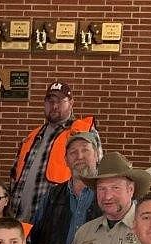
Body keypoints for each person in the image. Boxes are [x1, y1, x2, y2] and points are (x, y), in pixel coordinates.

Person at [11, 81, 97, 226]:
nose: (54, 106)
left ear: (71, 103)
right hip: (20, 221)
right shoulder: (33, 136)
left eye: (60, 101)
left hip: (55, 220)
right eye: (50, 101)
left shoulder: (83, 132)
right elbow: (14, 177)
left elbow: (93, 176)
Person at [29, 130, 104, 244]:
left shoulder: (109, 194)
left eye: (85, 150)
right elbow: (33, 236)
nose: (79, 156)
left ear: (97, 155)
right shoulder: (51, 195)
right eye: (73, 152)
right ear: (66, 161)